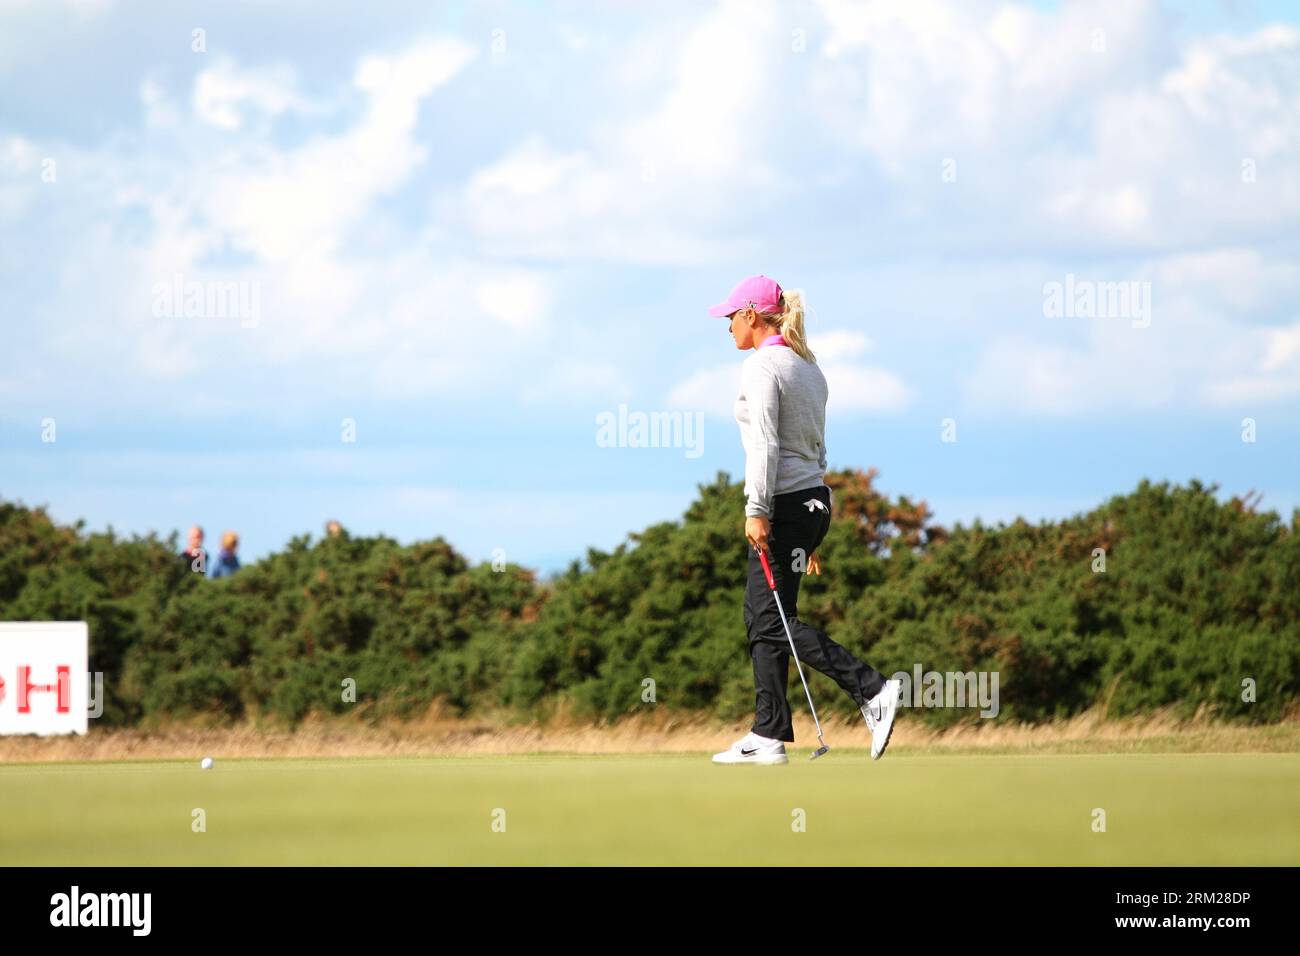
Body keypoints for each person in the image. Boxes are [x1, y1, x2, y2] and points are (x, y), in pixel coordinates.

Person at [707, 275, 902, 766]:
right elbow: (814, 446)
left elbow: (766, 446)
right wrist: (808, 531)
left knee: (770, 620)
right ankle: (768, 736)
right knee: (765, 618)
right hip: (812, 503)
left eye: (731, 316)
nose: (727, 325)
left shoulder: (762, 367)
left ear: (753, 314)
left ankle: (873, 689)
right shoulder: (807, 367)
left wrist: (757, 510)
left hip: (786, 505)